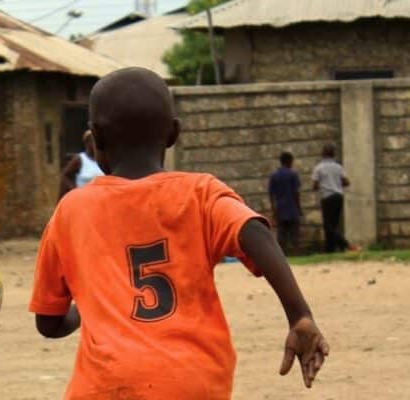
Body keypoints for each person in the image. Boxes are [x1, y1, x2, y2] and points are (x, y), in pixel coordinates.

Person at [29, 68, 329, 399]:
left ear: (96, 137)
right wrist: (299, 314)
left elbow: (48, 322)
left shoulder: (71, 211)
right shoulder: (201, 194)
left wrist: (88, 308)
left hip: (106, 386)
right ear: (173, 133)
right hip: (193, 382)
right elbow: (254, 232)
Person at [313, 144, 351, 253]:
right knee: (334, 224)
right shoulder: (338, 167)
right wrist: (336, 183)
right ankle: (330, 249)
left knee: (328, 226)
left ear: (323, 154)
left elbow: (315, 184)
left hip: (327, 197)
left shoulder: (319, 168)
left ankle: (345, 244)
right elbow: (346, 182)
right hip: (338, 196)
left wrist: (323, 185)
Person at [268, 152, 303, 254]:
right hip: (292, 208)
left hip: (280, 208)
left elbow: (271, 194)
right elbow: (296, 193)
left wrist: (273, 209)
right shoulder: (293, 174)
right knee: (295, 234)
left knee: (281, 234)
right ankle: (296, 253)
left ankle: (281, 255)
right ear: (289, 161)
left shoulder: (274, 175)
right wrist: (299, 208)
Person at [60, 130, 104, 196]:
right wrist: (75, 190)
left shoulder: (101, 159)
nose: (96, 144)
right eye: (93, 141)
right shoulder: (80, 159)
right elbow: (65, 175)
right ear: (87, 143)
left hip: (100, 199)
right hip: (84, 199)